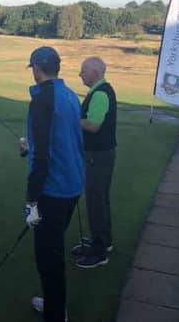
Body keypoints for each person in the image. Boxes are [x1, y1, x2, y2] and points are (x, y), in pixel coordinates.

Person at [23, 46, 85, 322]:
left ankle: (56, 314)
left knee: (48, 256)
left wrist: (31, 201)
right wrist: (32, 145)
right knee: (54, 247)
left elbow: (43, 158)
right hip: (72, 183)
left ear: (37, 68)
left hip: (53, 189)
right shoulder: (69, 94)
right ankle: (52, 303)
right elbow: (61, 138)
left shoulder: (42, 100)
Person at [72, 56, 117, 269]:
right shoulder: (100, 90)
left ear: (96, 73)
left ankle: (99, 252)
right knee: (101, 198)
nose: (80, 74)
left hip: (97, 155)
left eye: (83, 71)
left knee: (95, 201)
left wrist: (71, 120)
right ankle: (103, 241)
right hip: (101, 154)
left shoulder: (100, 93)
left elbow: (92, 125)